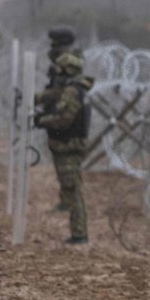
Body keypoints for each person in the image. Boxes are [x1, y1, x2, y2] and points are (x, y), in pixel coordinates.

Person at [35, 53, 93, 244]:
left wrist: (41, 121)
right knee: (69, 188)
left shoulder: (72, 92)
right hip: (67, 145)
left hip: (69, 145)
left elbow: (63, 120)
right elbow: (51, 96)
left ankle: (79, 234)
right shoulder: (73, 89)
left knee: (73, 189)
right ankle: (77, 231)